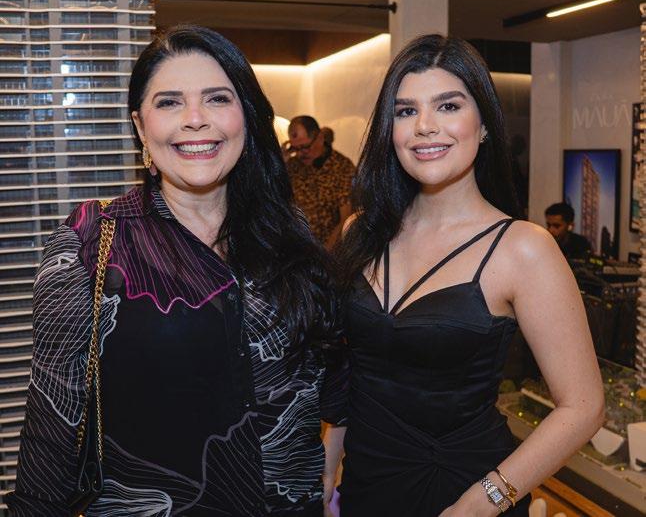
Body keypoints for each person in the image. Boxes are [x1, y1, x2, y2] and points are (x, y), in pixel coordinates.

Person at [7, 25, 345, 516]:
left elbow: (330, 369)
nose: (195, 119)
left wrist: (328, 463)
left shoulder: (286, 232)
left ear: (246, 116)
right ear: (140, 126)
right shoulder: (91, 240)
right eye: (169, 102)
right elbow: (52, 421)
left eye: (217, 98)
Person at [328, 34, 604, 516]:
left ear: (484, 125)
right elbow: (354, 373)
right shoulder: (361, 231)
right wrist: (328, 465)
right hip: (366, 486)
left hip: (465, 491)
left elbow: (584, 407)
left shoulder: (523, 248)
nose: (425, 126)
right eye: (406, 111)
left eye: (448, 106)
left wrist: (485, 500)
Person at [286, 116, 355, 249]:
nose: (300, 154)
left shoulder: (342, 167)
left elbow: (347, 218)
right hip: (296, 252)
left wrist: (323, 255)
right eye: (295, 149)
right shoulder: (291, 166)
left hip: (331, 253)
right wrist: (281, 158)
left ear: (320, 138)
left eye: (305, 147)